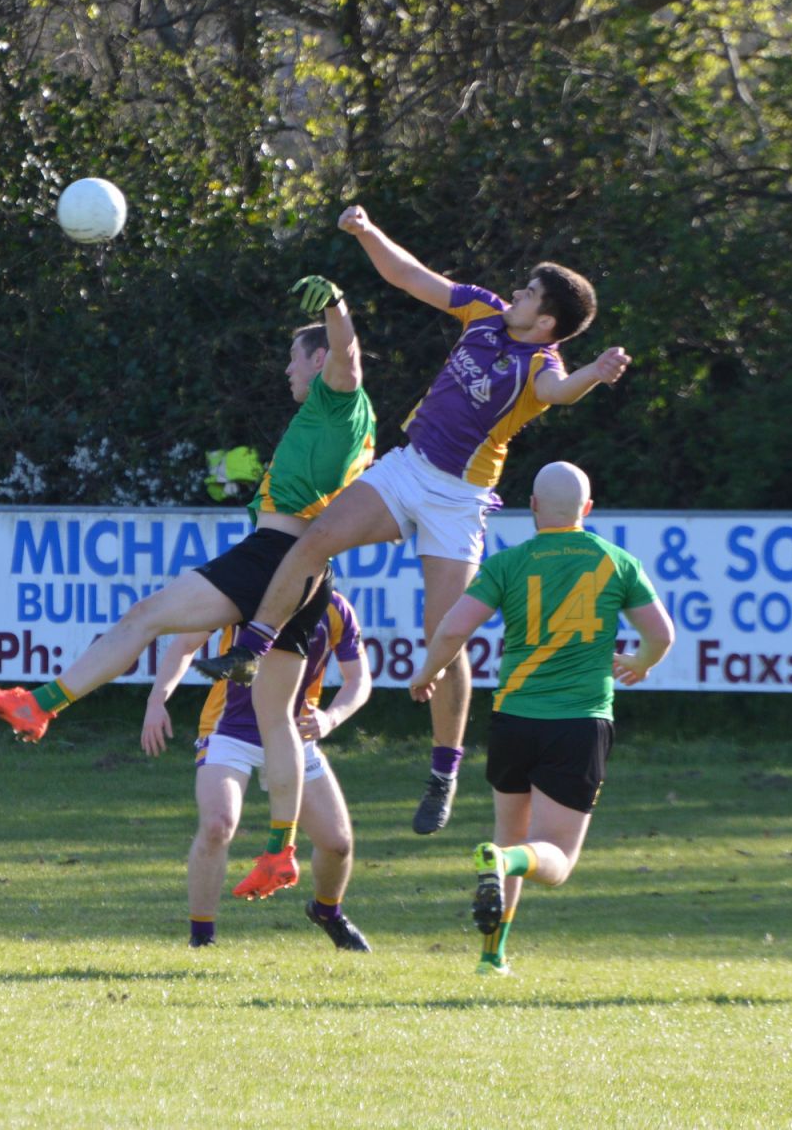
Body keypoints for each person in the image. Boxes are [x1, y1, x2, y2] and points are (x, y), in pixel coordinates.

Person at [196, 206, 631, 860]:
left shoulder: (539, 360)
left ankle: (443, 768)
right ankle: (253, 644)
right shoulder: (484, 312)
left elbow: (560, 389)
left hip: (459, 500)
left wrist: (592, 374)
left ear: (546, 320)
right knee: (312, 541)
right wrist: (366, 232)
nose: (514, 293)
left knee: (443, 636)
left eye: (529, 294)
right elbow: (411, 277)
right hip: (408, 468)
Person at [0, 275, 376, 901]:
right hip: (309, 575)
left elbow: (348, 356)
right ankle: (280, 850)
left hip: (272, 556)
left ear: (317, 359)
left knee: (144, 617)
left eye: (294, 358)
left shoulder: (337, 396)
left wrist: (336, 306)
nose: (287, 371)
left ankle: (40, 703)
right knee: (277, 719)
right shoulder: (345, 417)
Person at [408, 461, 674, 975]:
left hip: (513, 719)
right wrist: (640, 662)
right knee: (552, 860)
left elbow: (451, 629)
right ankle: (503, 865)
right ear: (587, 510)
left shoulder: (509, 564)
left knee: (511, 833)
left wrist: (427, 674)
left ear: (531, 507)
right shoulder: (615, 562)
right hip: (578, 724)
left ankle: (492, 958)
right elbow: (661, 633)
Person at [142, 590, 372, 950]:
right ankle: (202, 939)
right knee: (218, 826)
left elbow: (359, 680)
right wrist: (157, 699)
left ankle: (328, 913)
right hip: (230, 732)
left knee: (338, 844)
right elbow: (186, 643)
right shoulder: (249, 593)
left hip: (294, 737)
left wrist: (330, 718)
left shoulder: (336, 607)